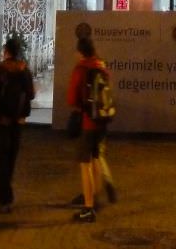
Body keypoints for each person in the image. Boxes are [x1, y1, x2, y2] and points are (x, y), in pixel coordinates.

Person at [0, 37, 35, 212]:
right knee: (11, 157)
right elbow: (31, 94)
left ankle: (5, 197)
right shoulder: (24, 70)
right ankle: (6, 187)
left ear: (6, 51)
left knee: (1, 158)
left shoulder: (0, 70)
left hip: (1, 120)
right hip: (18, 121)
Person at [66, 36, 111, 223]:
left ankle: (88, 207)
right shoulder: (102, 67)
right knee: (95, 159)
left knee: (85, 165)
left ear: (80, 52)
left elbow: (71, 98)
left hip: (87, 122)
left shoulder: (81, 68)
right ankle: (94, 195)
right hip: (102, 121)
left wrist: (78, 107)